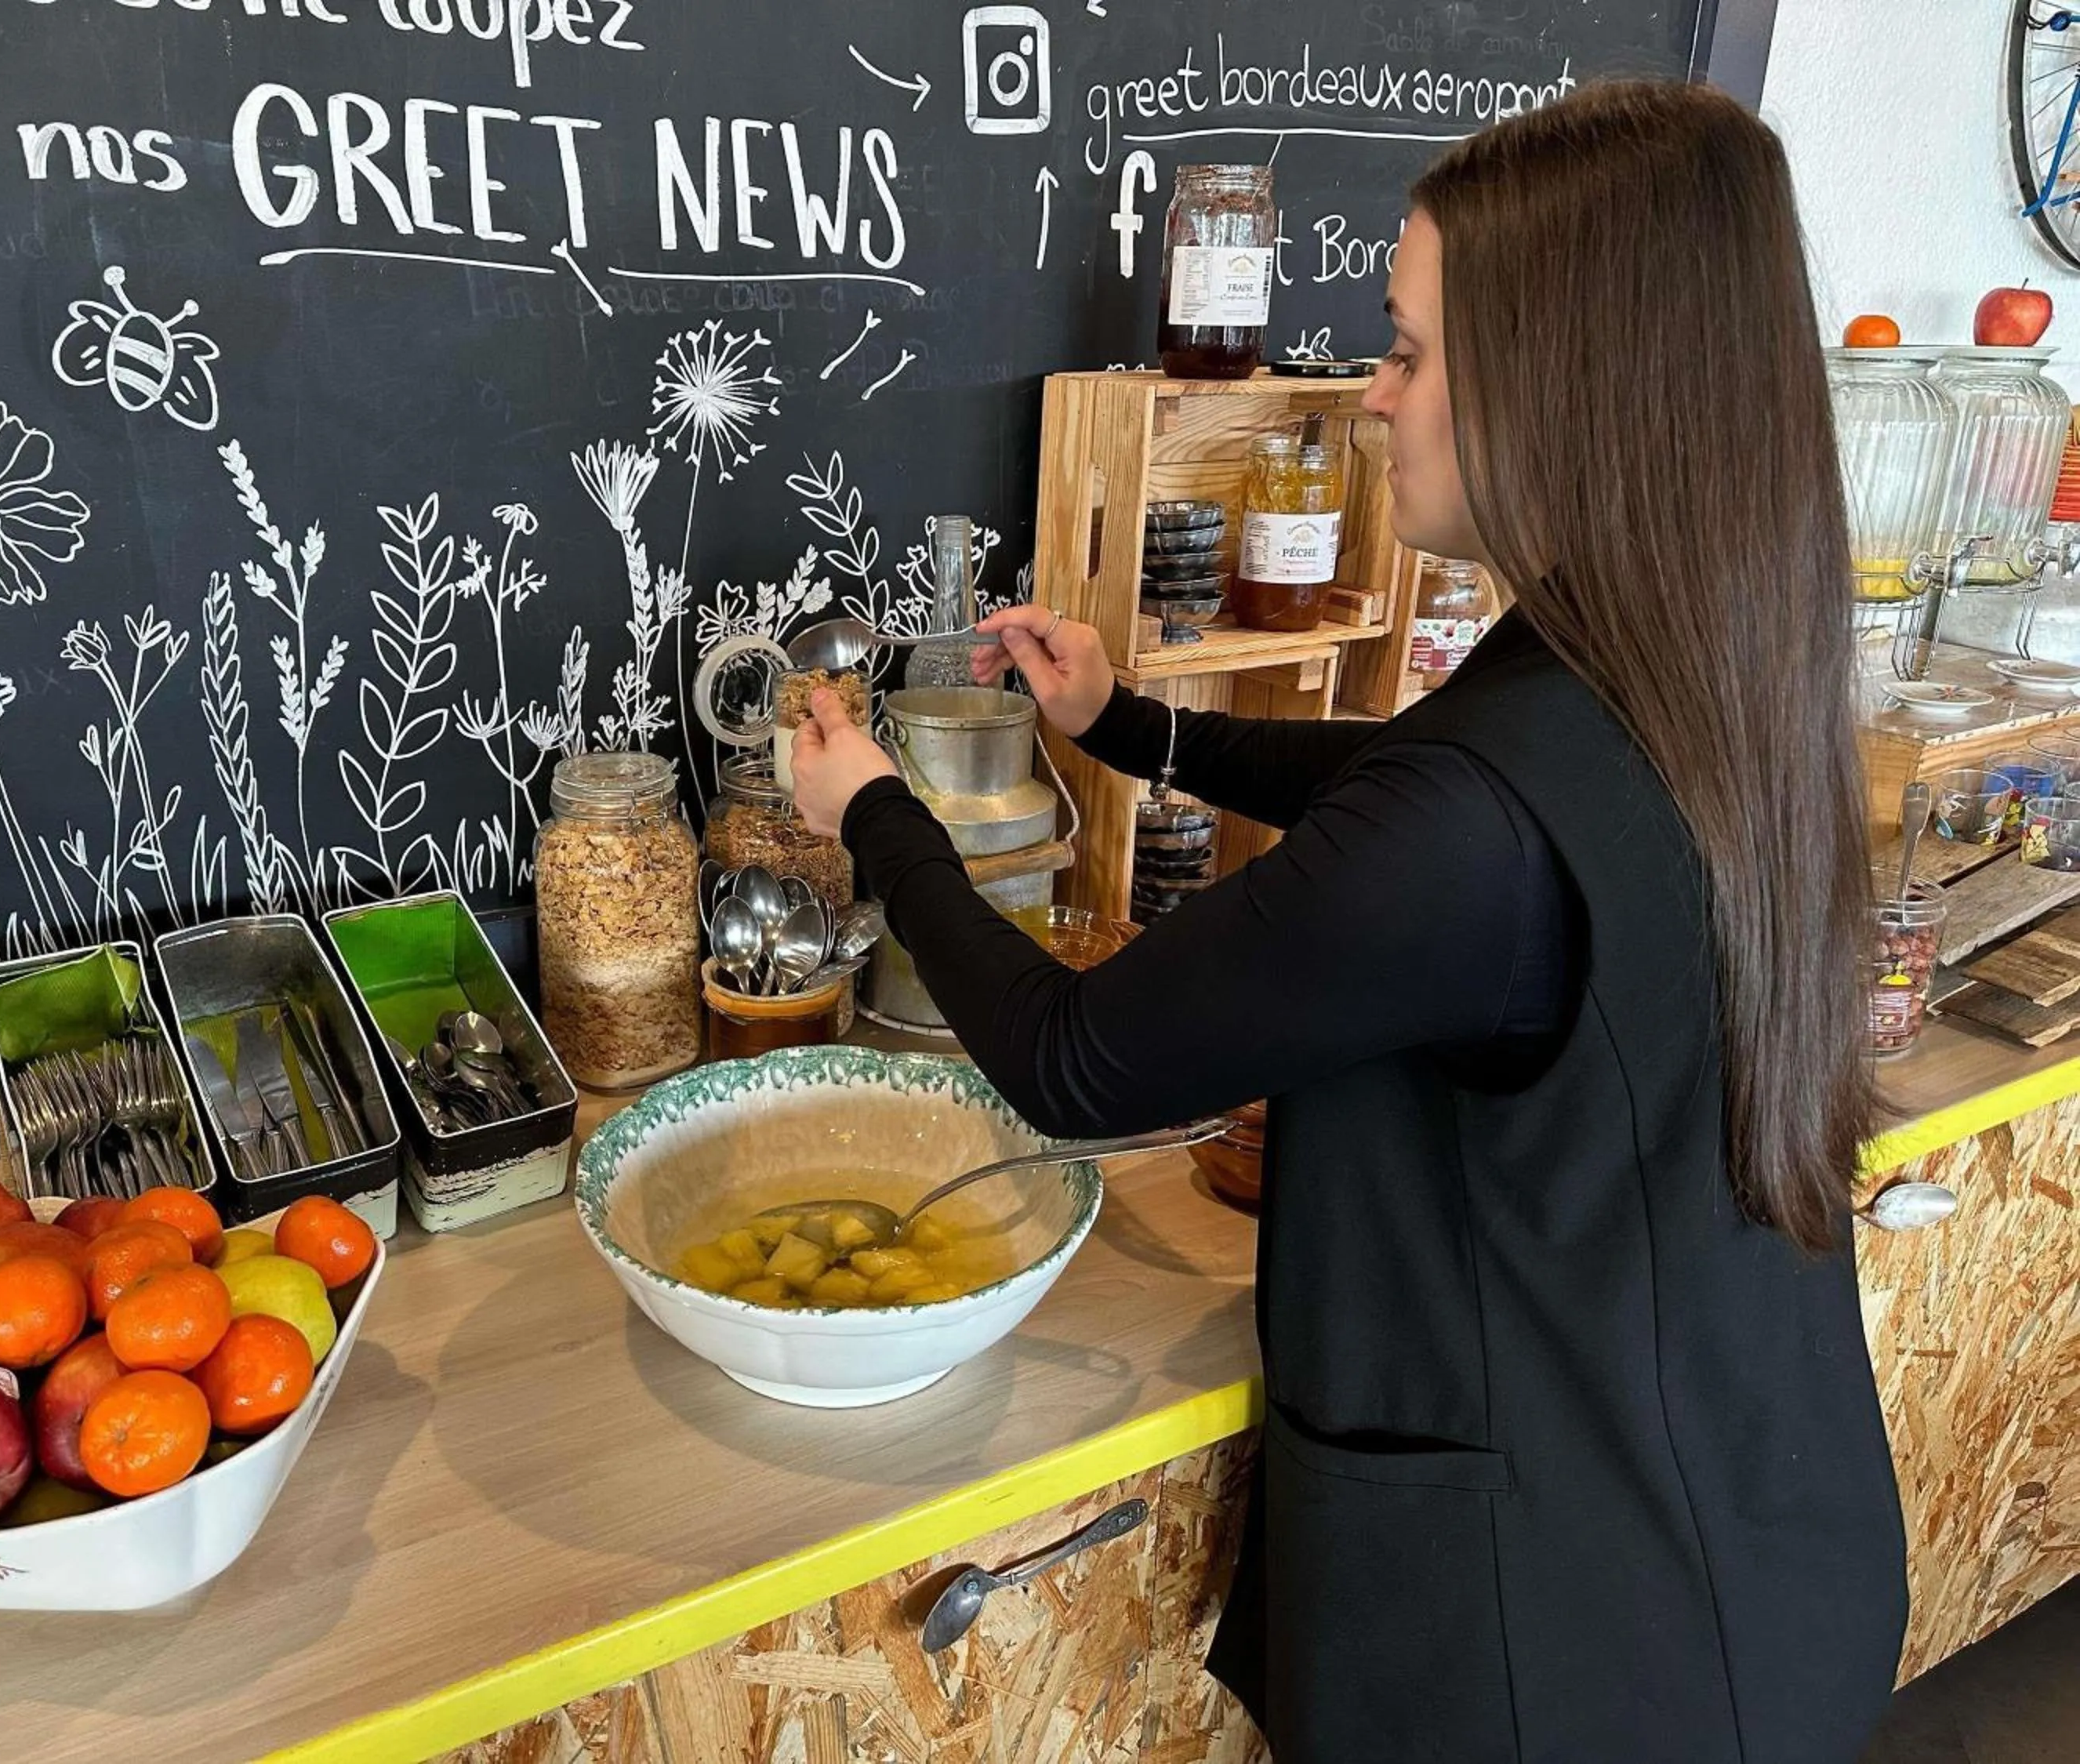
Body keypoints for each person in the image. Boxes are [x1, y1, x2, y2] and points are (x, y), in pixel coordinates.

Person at [789, 80, 1908, 1764]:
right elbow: (1405, 785)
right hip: (1761, 1542)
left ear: (1560, 387)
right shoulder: (1719, 670)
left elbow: (1072, 1057)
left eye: (1406, 350)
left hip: (1563, 1662)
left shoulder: (1483, 819)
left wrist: (875, 812)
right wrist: (1129, 724)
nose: (1374, 398)